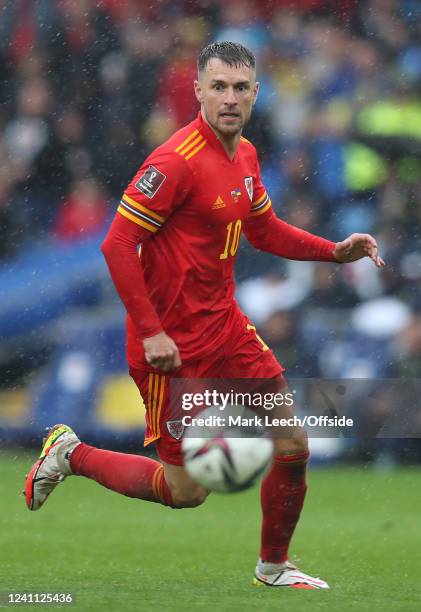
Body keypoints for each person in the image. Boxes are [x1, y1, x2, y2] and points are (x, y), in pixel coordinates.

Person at [24, 42, 384, 589]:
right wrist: (151, 332)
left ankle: (273, 567)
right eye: (218, 87)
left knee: (293, 443)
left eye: (241, 88)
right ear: (197, 91)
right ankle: (72, 454)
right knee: (185, 492)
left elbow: (263, 228)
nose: (230, 98)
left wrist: (333, 250)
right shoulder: (173, 162)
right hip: (171, 349)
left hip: (228, 330)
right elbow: (116, 245)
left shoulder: (246, 156)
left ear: (257, 93)